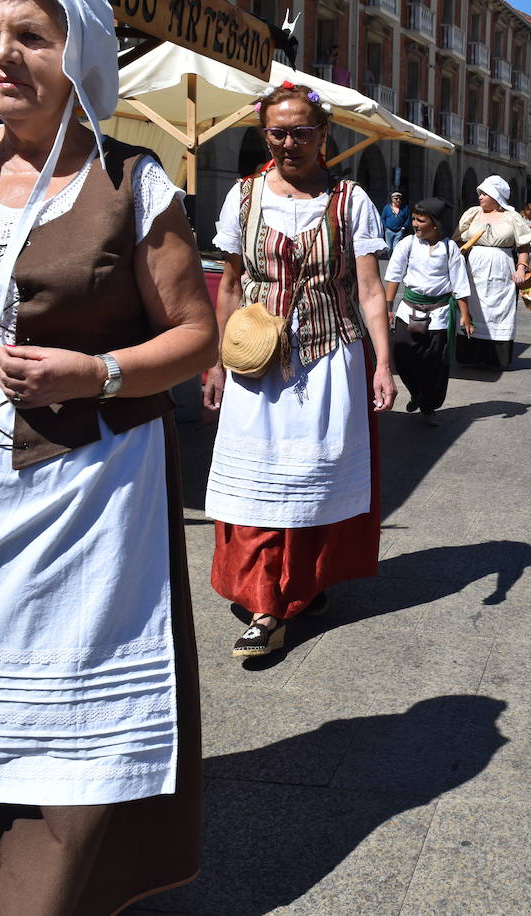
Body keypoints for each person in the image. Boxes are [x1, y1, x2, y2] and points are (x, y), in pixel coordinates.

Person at [0, 0, 218, 910]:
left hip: (86, 491)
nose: (2, 54)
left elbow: (196, 337)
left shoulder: (130, 183)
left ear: (78, 53)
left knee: (64, 694)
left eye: (31, 35)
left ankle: (48, 894)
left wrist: (93, 370)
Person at [203, 81, 396, 659]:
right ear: (265, 134)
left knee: (313, 477)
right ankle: (267, 601)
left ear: (323, 135)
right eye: (278, 132)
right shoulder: (242, 197)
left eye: (301, 131)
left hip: (331, 355)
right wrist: (214, 361)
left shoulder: (350, 200)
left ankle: (302, 586)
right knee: (259, 478)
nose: (289, 142)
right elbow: (231, 286)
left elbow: (368, 290)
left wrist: (383, 363)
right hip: (256, 361)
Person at [384, 198, 474, 425]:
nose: (414, 224)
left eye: (420, 220)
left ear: (434, 224)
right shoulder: (407, 244)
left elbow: (460, 284)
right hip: (408, 311)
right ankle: (417, 392)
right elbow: (394, 275)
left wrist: (465, 315)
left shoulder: (449, 248)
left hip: (439, 315)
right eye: (413, 219)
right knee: (402, 358)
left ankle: (428, 406)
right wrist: (388, 309)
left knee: (434, 365)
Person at [456, 175, 531, 370]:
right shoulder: (473, 213)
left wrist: (521, 267)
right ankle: (470, 355)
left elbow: (523, 246)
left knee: (499, 310)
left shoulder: (511, 217)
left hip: (502, 268)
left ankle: (495, 358)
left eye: (484, 193)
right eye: (480, 193)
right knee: (473, 308)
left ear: (495, 196)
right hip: (474, 269)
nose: (480, 197)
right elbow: (457, 240)